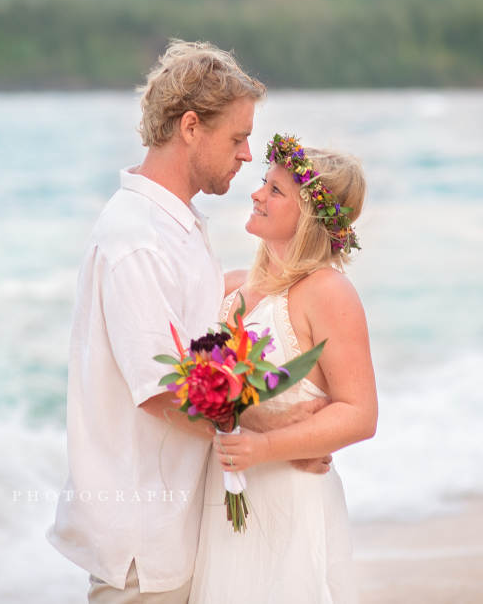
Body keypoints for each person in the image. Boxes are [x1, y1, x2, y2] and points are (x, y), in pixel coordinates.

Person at [45, 40, 330, 604]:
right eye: (237, 137)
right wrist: (278, 434)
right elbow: (163, 391)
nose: (249, 154)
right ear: (191, 127)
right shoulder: (136, 240)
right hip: (141, 544)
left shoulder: (176, 224)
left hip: (178, 523)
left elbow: (198, 325)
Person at [189, 137, 378, 604]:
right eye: (263, 184)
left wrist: (266, 444)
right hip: (226, 502)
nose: (257, 194)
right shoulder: (230, 288)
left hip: (292, 504)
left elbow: (360, 413)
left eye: (276, 190)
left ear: (310, 216)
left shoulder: (327, 292)